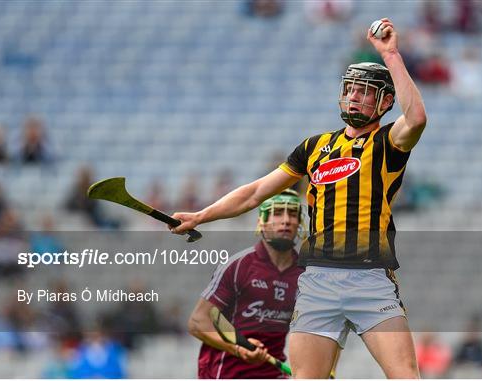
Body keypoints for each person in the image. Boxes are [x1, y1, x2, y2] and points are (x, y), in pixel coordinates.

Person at [172, 18, 426, 378]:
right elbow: (256, 191)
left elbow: (415, 118)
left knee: (405, 375)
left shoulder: (387, 143)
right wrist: (201, 215)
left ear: (385, 101)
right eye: (350, 88)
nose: (353, 95)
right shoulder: (314, 147)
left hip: (370, 277)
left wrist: (390, 55)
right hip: (318, 280)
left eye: (364, 90)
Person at [188, 190, 304, 378]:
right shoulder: (238, 265)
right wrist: (236, 348)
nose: (286, 220)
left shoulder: (304, 274)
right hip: (226, 372)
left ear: (299, 223)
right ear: (261, 222)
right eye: (277, 213)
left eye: (292, 214)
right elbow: (197, 322)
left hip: (273, 373)